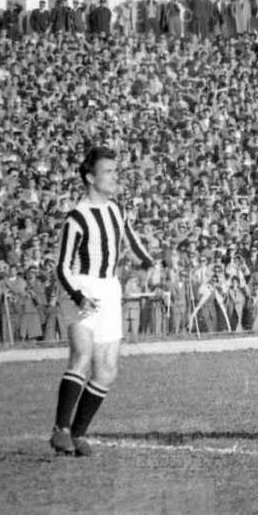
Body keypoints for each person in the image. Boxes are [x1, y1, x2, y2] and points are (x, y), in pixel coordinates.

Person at [49, 146, 156, 458]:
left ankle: (78, 433)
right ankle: (60, 429)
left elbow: (132, 241)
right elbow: (62, 267)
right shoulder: (76, 218)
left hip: (109, 288)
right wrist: (78, 296)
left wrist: (149, 263)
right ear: (89, 177)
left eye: (114, 171)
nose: (114, 177)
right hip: (81, 286)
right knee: (82, 354)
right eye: (107, 171)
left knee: (107, 369)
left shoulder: (116, 211)